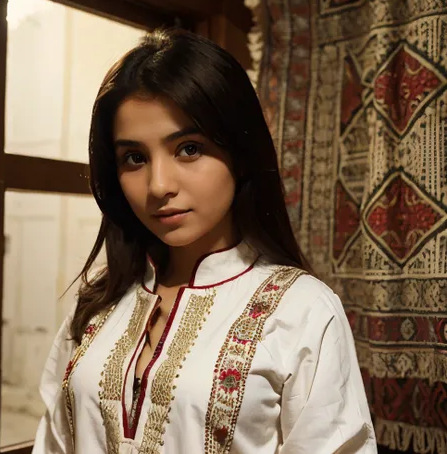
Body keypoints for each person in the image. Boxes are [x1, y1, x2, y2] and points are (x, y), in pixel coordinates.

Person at [32, 29, 377, 454]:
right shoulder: (99, 302)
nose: (158, 185)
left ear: (240, 152)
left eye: (189, 148)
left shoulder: (302, 311)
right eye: (135, 158)